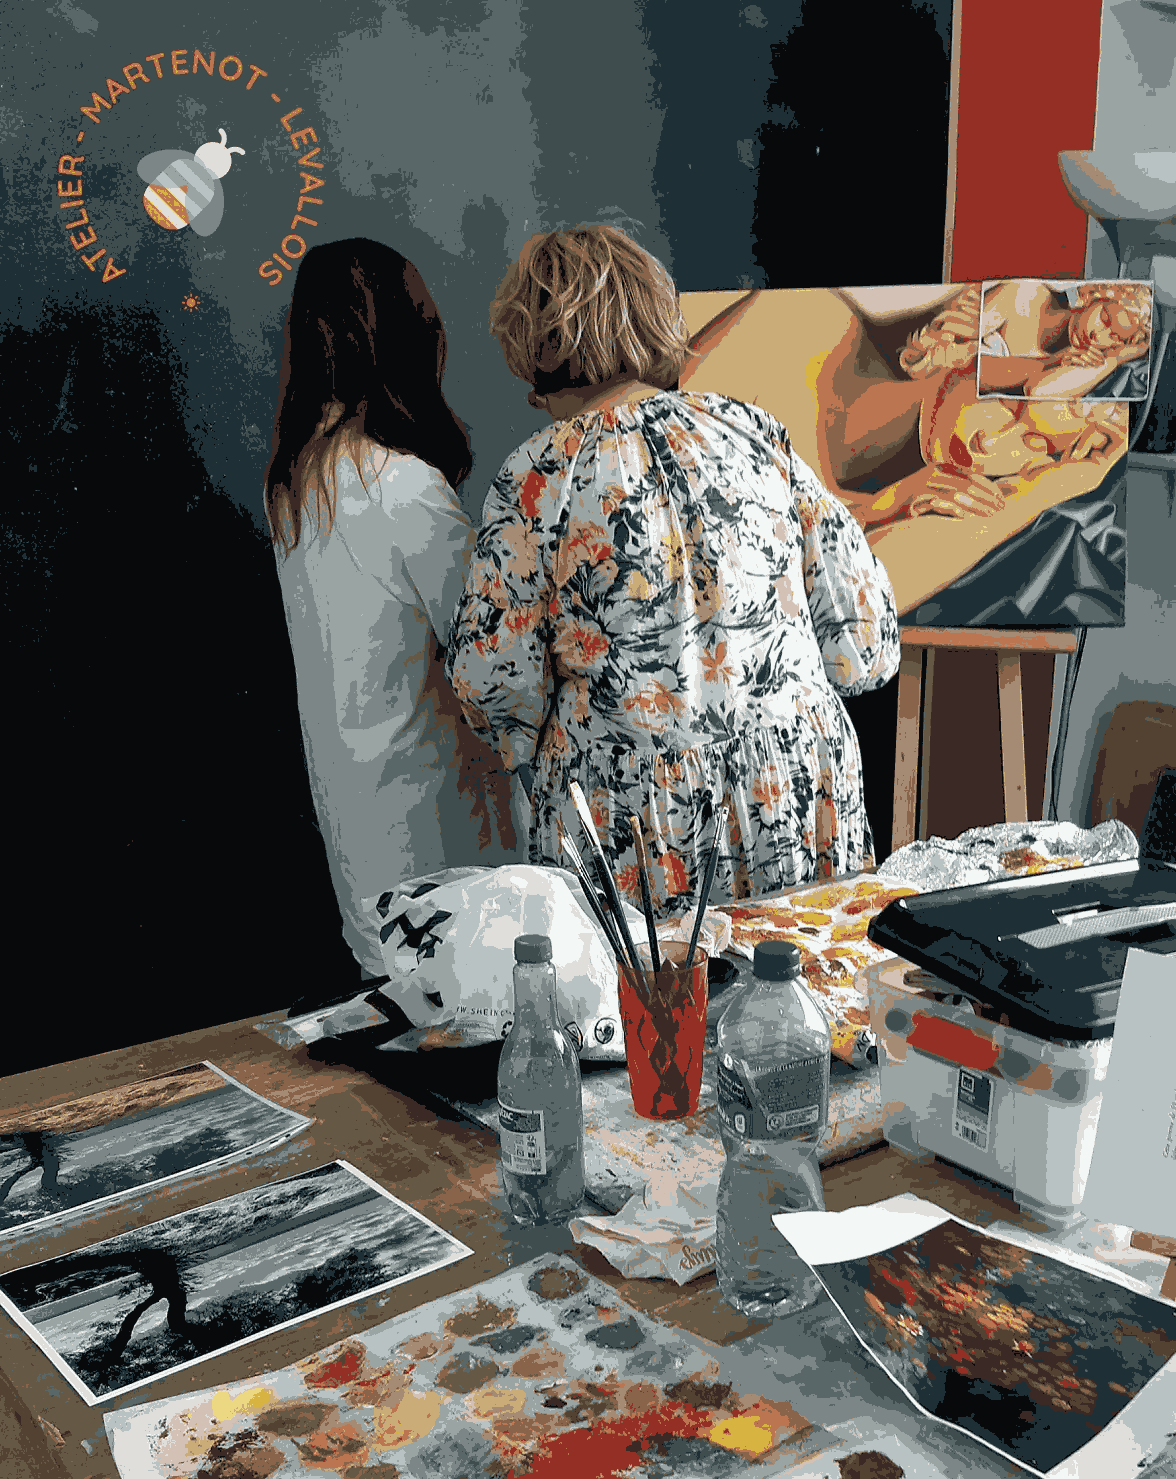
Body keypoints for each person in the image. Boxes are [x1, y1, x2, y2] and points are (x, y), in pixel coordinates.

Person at [444, 224, 902, 913]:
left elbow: (493, 682)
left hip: (634, 816)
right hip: (796, 788)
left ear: (532, 345)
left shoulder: (540, 476)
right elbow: (864, 642)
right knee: (799, 974)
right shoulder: (753, 433)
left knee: (654, 986)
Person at [266, 238, 519, 977]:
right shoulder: (402, 486)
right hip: (439, 839)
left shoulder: (296, 486)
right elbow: (491, 658)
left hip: (361, 837)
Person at [679, 280, 1149, 616]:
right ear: (977, 358)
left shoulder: (902, 500)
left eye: (1034, 447)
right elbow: (672, 500)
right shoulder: (804, 326)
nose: (991, 443)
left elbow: (854, 610)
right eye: (1007, 403)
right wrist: (867, 510)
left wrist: (1042, 491)